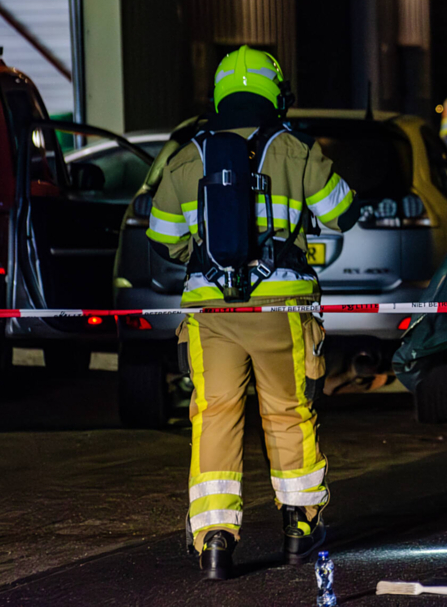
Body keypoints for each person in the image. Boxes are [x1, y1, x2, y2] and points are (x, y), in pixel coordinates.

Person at [146, 46, 360, 580]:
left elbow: (163, 240)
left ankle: (215, 540)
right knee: (287, 412)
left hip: (210, 311)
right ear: (275, 94)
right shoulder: (294, 148)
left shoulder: (185, 155)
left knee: (214, 415)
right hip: (279, 306)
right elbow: (342, 214)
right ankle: (299, 529)